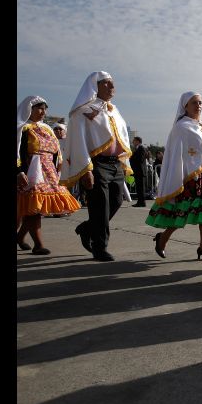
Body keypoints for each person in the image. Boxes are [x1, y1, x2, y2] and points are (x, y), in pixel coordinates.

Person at [146, 92, 202, 260]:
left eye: (200, 102)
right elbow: (180, 153)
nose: (198, 105)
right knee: (183, 211)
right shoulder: (181, 127)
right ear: (185, 106)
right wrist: (192, 168)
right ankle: (162, 239)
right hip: (189, 176)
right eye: (194, 102)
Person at [61, 71, 133, 261]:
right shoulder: (83, 110)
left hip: (114, 163)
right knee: (100, 205)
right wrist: (86, 168)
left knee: (116, 201)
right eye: (107, 84)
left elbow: (122, 136)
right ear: (95, 86)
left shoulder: (113, 109)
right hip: (97, 162)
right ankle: (100, 247)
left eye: (113, 84)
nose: (112, 87)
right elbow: (79, 140)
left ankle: (86, 228)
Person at [16, 96, 80, 253]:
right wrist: (19, 171)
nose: (43, 111)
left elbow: (56, 152)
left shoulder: (47, 128)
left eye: (45, 108)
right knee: (34, 207)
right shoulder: (22, 129)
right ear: (28, 109)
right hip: (31, 171)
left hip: (49, 171)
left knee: (36, 208)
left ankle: (19, 237)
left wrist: (59, 169)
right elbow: (18, 152)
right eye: (39, 108)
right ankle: (38, 245)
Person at [131, 136, 147, 207]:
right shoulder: (137, 149)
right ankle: (140, 201)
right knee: (138, 188)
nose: (133, 142)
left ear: (138, 141)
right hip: (137, 171)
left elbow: (140, 159)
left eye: (134, 141)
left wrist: (132, 158)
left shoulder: (142, 149)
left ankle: (142, 202)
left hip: (140, 171)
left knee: (141, 188)